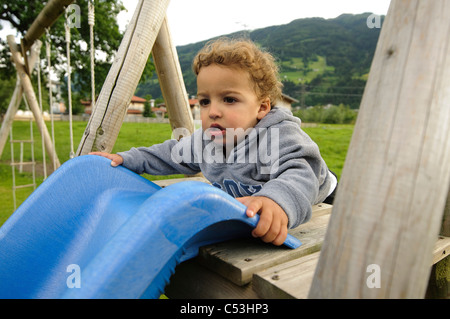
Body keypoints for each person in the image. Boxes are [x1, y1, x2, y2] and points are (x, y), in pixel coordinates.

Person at [90, 38, 337, 246]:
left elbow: (302, 172)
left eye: (229, 99)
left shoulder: (277, 135)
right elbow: (171, 153)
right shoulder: (208, 140)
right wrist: (127, 159)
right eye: (205, 101)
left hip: (325, 196)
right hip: (249, 203)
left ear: (262, 107)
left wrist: (276, 201)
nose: (213, 111)